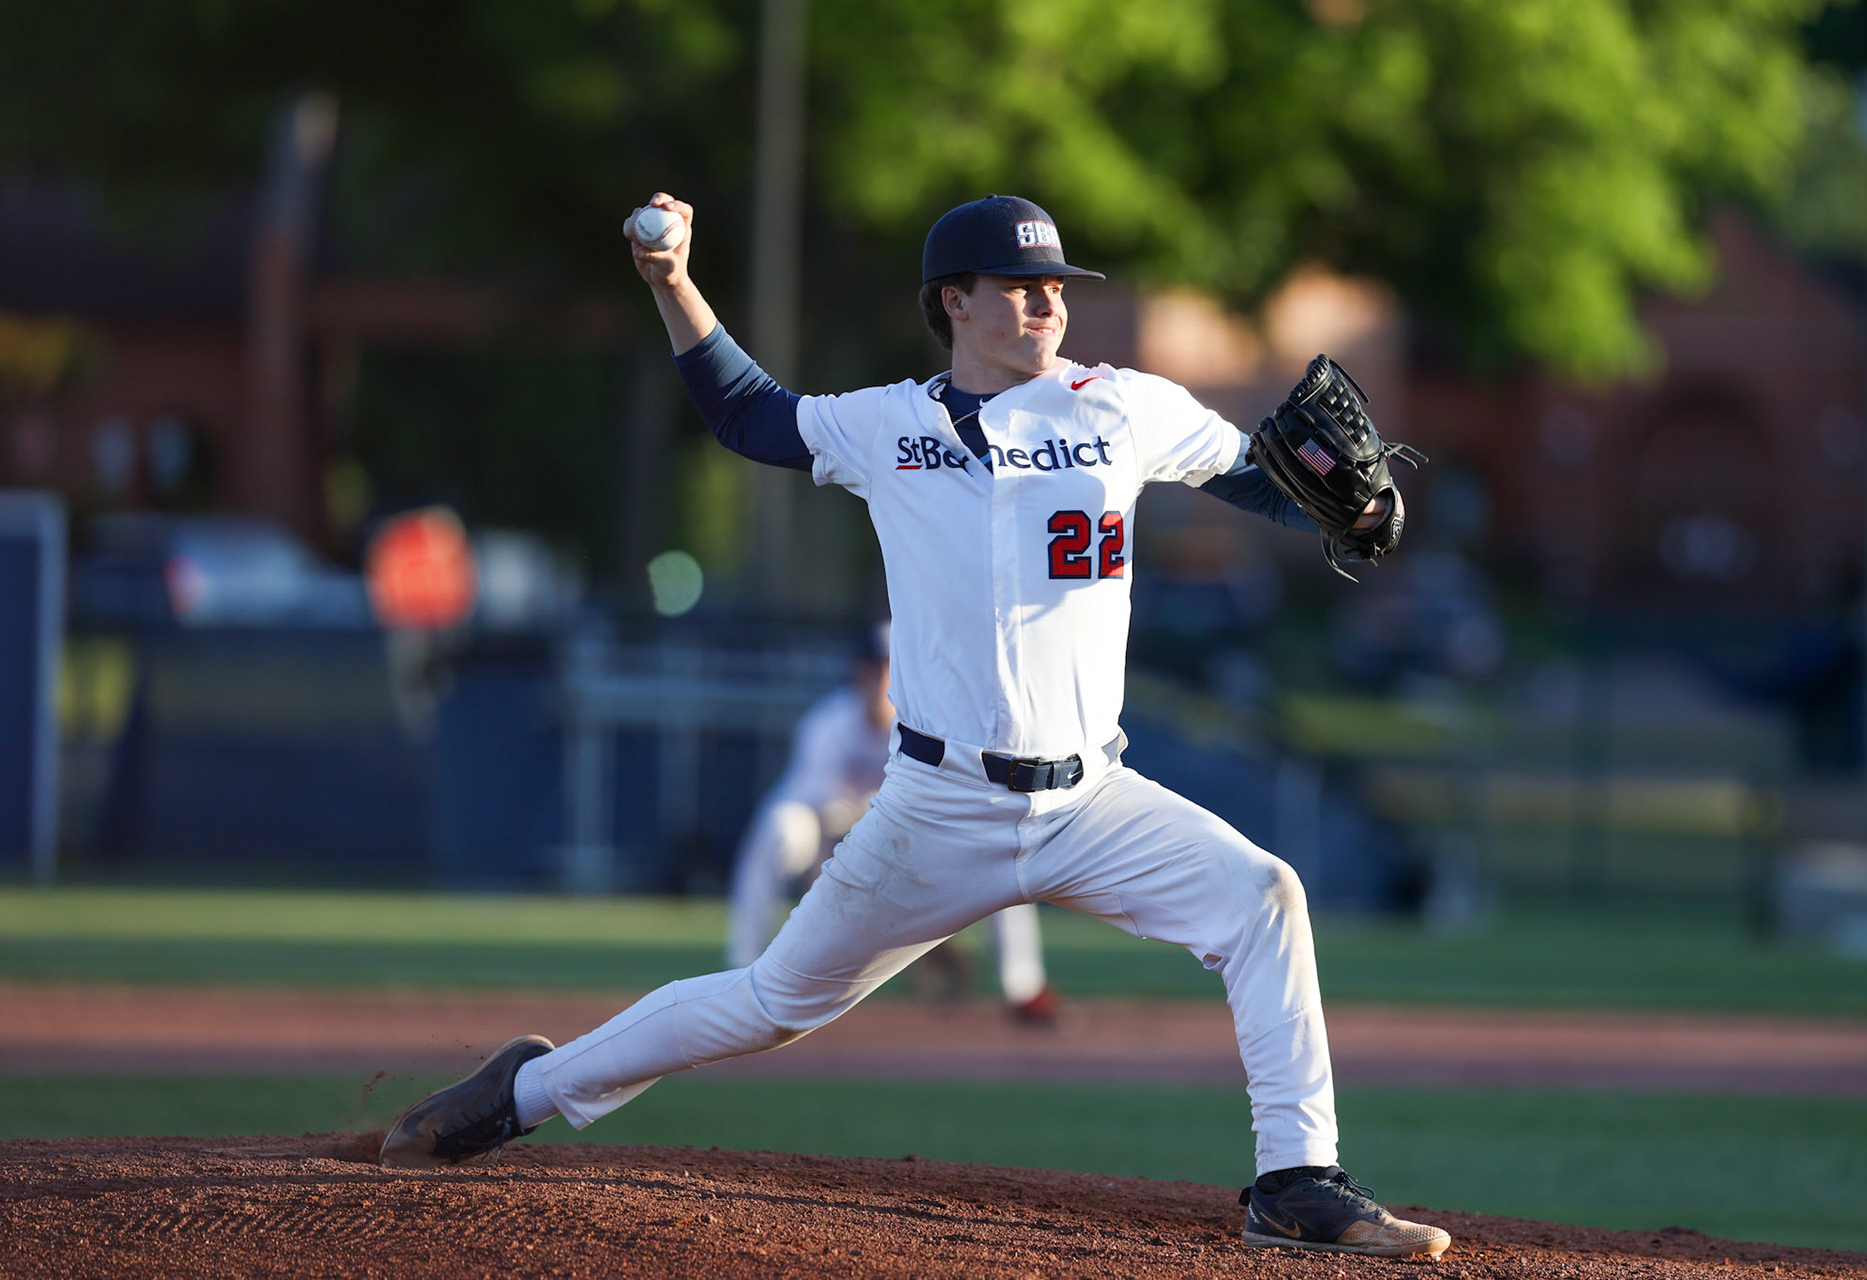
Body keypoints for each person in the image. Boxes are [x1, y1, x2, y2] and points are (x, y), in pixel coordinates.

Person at [381, 192, 1447, 1259]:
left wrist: (1356, 507)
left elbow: (1262, 479)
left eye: (1057, 287)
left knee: (1264, 894)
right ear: (954, 300)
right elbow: (746, 412)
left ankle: (1297, 1181)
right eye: (1021, 286)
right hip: (940, 804)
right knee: (770, 1003)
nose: (1047, 303)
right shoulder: (887, 424)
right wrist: (671, 283)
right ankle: (523, 1088)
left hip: (1093, 798)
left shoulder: (1123, 406)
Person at [728, 623, 1058, 1022]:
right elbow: (818, 812)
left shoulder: (937, 727)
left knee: (998, 848)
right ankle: (739, 977)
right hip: (835, 843)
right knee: (779, 828)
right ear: (859, 674)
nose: (882, 679)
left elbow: (956, 812)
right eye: (875, 667)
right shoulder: (829, 725)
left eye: (892, 668)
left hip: (909, 840)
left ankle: (1023, 988)